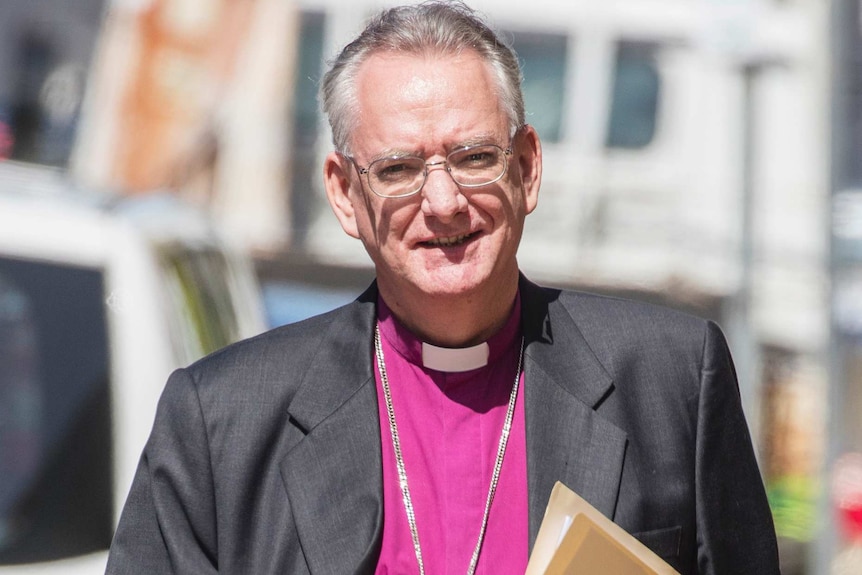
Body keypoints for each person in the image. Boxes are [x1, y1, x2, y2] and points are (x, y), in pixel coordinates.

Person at [105, 2, 781, 574]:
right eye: (398, 168)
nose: (444, 201)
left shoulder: (670, 380)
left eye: (475, 157)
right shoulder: (221, 422)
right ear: (345, 194)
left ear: (526, 168)